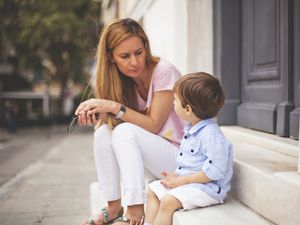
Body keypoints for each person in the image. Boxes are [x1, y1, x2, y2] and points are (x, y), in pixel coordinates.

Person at [74, 18, 184, 225]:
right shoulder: (120, 82)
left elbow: (153, 125)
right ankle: (113, 207)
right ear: (111, 57)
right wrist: (94, 117)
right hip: (154, 159)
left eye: (139, 52)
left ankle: (135, 210)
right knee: (103, 133)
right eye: (125, 56)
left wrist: (114, 107)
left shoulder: (164, 71)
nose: (134, 62)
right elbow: (112, 130)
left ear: (146, 47)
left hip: (182, 160)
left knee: (124, 131)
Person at [144, 72, 233, 225]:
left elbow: (215, 172)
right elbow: (191, 164)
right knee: (153, 190)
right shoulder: (192, 129)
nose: (173, 103)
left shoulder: (211, 135)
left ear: (188, 109)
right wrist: (176, 178)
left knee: (168, 202)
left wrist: (182, 181)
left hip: (208, 189)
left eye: (175, 100)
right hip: (191, 184)